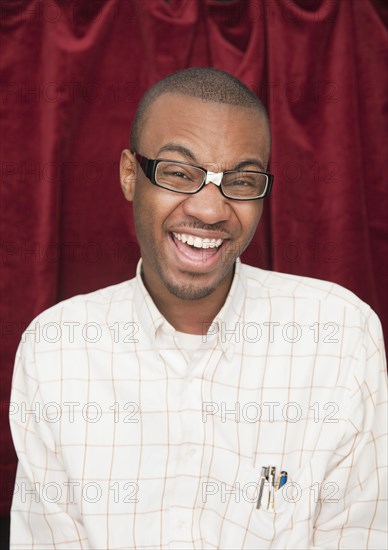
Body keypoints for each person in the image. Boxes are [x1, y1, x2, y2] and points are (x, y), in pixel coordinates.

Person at [9, 67, 387, 549]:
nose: (210, 210)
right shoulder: (56, 349)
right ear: (130, 175)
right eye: (179, 174)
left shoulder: (339, 335)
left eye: (242, 180)